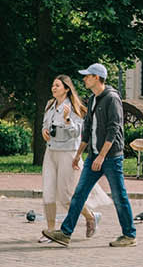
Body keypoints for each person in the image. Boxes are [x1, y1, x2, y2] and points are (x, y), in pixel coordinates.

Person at [42, 63, 137, 247]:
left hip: (111, 157)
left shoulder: (112, 98)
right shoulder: (93, 99)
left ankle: (129, 235)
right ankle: (65, 233)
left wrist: (102, 156)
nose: (84, 79)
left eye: (87, 76)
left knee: (119, 196)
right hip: (94, 155)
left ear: (96, 78)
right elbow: (86, 130)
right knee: (78, 195)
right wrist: (79, 154)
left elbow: (113, 129)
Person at [39, 74, 112, 240]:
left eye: (57, 85)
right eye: (53, 85)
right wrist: (44, 131)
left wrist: (66, 120)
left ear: (66, 89)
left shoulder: (74, 107)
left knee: (65, 196)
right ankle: (50, 230)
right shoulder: (49, 105)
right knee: (48, 191)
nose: (53, 88)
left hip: (67, 152)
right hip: (50, 151)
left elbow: (77, 133)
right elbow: (45, 124)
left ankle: (91, 216)